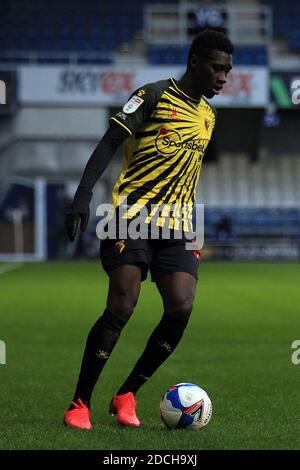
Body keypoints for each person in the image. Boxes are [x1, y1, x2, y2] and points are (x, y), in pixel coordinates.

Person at [64, 30, 233, 430]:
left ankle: (126, 394)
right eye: (217, 68)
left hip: (181, 223)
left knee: (181, 307)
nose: (224, 77)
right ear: (194, 63)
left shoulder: (209, 116)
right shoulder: (153, 95)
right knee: (122, 305)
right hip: (130, 215)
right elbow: (109, 143)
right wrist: (83, 196)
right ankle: (79, 402)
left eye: (228, 70)